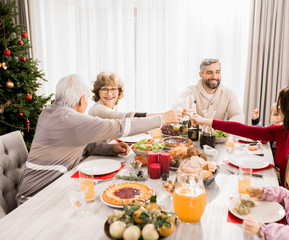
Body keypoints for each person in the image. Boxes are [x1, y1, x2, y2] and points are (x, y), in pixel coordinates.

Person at [16, 74, 181, 205]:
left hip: (43, 189)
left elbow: (80, 144)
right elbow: (118, 126)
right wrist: (162, 119)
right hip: (36, 200)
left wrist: (110, 149)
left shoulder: (49, 113)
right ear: (82, 99)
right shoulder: (71, 120)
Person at [190, 85, 289, 183]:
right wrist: (205, 121)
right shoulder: (284, 131)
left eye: (282, 106)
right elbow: (244, 130)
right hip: (282, 188)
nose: (279, 109)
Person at [182, 58, 245, 123]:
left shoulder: (228, 93)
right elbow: (179, 116)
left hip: (220, 132)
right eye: (209, 72)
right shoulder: (189, 93)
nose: (214, 77)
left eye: (217, 72)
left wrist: (222, 128)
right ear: (201, 75)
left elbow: (239, 116)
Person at [88, 72, 161, 119]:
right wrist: (162, 116)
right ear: (98, 92)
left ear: (118, 91)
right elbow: (124, 117)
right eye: (104, 89)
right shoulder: (98, 110)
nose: (109, 94)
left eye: (113, 89)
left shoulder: (112, 108)